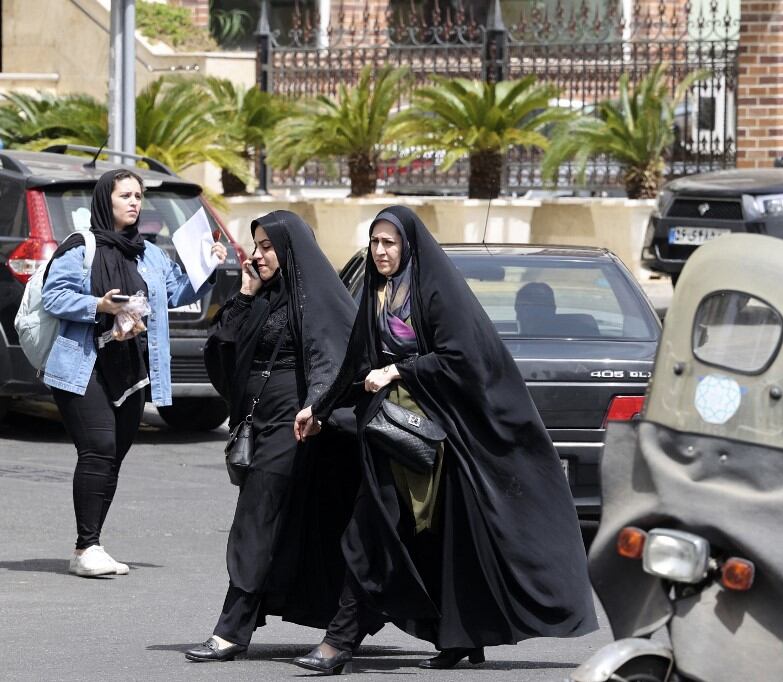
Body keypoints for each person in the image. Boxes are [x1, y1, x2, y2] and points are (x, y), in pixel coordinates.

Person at [293, 205, 597, 671]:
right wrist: (319, 408)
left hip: (436, 437)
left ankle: (339, 642)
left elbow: (462, 357)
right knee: (407, 537)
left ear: (408, 245)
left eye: (389, 242)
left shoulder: (432, 292)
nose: (380, 252)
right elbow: (357, 362)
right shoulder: (378, 293)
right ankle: (459, 638)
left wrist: (399, 370)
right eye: (374, 242)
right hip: (389, 436)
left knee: (371, 534)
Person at [186, 211, 376, 663]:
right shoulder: (263, 297)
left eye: (268, 247)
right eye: (255, 246)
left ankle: (231, 630)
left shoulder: (317, 301)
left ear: (291, 250)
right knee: (274, 524)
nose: (257, 255)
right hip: (259, 423)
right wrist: (245, 294)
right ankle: (338, 622)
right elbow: (220, 347)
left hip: (294, 427)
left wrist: (316, 405)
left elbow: (334, 360)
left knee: (255, 520)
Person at [42, 169, 226, 578]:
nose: (134, 203)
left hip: (132, 369)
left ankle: (91, 544)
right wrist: (99, 306)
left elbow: (176, 292)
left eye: (139, 196)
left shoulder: (149, 253)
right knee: (99, 448)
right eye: (125, 195)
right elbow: (54, 296)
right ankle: (86, 547)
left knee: (113, 457)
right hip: (83, 365)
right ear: (105, 200)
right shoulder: (82, 247)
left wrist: (207, 268)